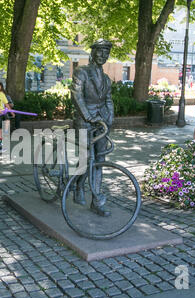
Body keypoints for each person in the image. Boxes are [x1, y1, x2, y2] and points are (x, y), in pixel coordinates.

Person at [70, 39, 114, 217]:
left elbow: (108, 99)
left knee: (99, 161)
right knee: (86, 159)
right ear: (93, 53)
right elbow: (76, 95)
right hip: (84, 120)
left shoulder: (106, 79)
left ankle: (97, 201)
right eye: (100, 52)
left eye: (106, 53)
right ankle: (78, 185)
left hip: (101, 122)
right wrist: (88, 116)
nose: (103, 55)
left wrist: (110, 117)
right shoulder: (82, 72)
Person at [0, 82, 14, 149]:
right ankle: (0, 139)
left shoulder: (2, 94)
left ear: (1, 87)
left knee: (7, 120)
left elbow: (6, 104)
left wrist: (12, 112)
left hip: (3, 112)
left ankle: (5, 132)